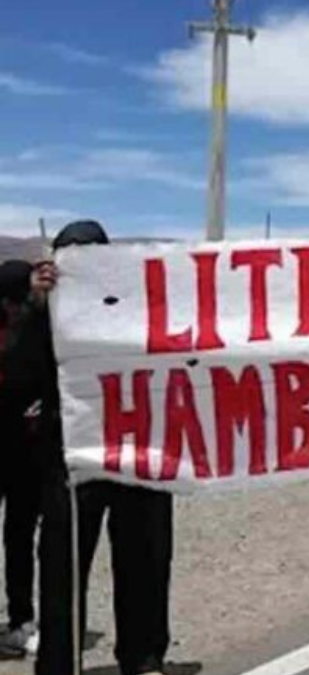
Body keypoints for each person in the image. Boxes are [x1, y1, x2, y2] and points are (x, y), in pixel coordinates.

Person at [13, 221, 176, 675]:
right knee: (62, 567)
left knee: (146, 556)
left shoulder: (141, 309)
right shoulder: (45, 314)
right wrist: (38, 309)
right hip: (71, 460)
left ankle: (144, 658)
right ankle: (59, 664)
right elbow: (20, 382)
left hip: (138, 451)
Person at [0, 260, 41, 658]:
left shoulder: (37, 326)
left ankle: (21, 621)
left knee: (19, 538)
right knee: (19, 537)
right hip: (16, 449)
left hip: (24, 455)